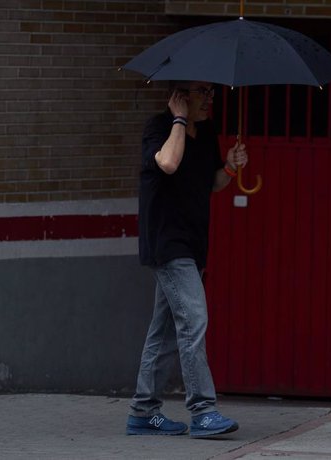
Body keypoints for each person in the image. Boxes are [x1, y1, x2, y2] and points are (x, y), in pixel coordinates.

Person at [126, 80, 247, 438]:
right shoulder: (158, 128)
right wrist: (178, 120)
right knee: (194, 319)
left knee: (163, 331)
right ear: (180, 95)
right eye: (202, 92)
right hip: (167, 243)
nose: (210, 99)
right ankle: (203, 410)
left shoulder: (207, 131)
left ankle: (143, 412)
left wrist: (229, 166)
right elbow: (167, 162)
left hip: (193, 244)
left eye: (212, 92)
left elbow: (213, 183)